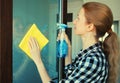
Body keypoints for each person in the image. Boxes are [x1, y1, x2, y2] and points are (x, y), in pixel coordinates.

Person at [28, 2, 119, 83]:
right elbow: (70, 75)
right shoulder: (86, 54)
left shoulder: (93, 59)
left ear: (90, 26)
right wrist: (69, 50)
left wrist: (38, 61)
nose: (74, 22)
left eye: (78, 18)